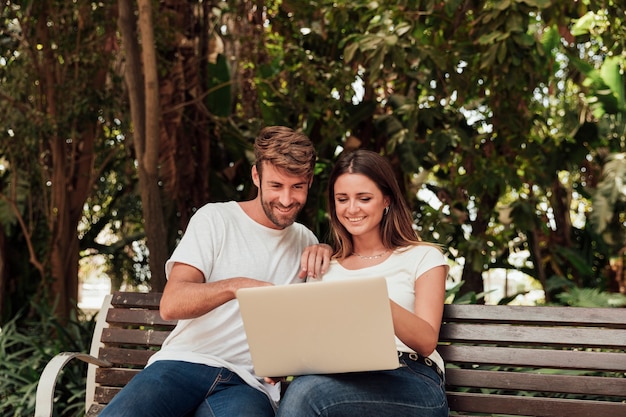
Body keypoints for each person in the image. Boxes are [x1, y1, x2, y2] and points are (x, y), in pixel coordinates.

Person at [100, 126, 331, 417]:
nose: (286, 200)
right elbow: (172, 304)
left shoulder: (307, 243)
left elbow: (311, 332)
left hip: (249, 385)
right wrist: (236, 287)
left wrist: (328, 251)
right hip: (182, 363)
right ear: (256, 176)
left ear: (309, 181)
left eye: (297, 187)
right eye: (276, 186)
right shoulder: (215, 219)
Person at [276, 149, 449, 417]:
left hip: (411, 379)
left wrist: (373, 299)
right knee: (303, 388)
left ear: (386, 200)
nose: (352, 209)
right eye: (342, 199)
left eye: (364, 198)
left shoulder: (423, 256)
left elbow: (426, 342)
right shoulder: (323, 267)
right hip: (339, 378)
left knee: (305, 393)